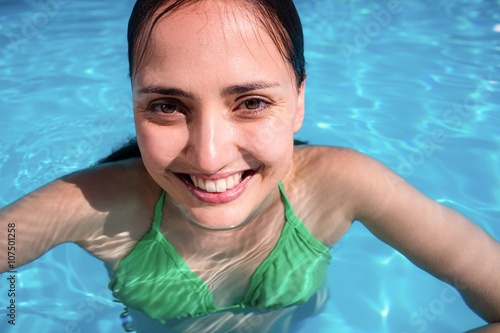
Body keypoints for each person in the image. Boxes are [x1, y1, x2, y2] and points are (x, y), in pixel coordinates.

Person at [1, 0, 499, 332]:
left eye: (252, 102)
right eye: (167, 106)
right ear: (133, 102)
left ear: (299, 100)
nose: (210, 155)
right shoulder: (92, 204)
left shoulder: (341, 185)